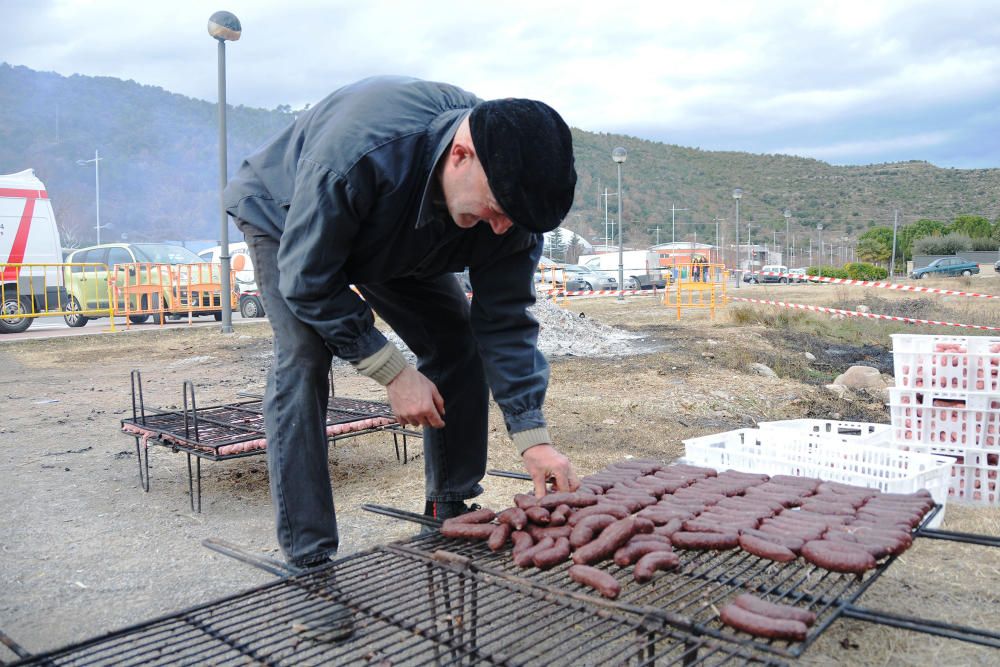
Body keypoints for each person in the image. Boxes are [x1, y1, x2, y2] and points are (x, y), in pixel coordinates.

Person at [224, 76, 581, 570]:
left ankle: (448, 506)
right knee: (304, 357)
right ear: (461, 155)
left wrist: (531, 435)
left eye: (511, 221)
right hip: (285, 217)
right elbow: (308, 282)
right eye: (496, 211)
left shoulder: (510, 213)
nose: (501, 228)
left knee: (457, 342)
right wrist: (392, 371)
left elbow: (503, 322)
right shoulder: (359, 152)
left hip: (392, 237)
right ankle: (309, 559)